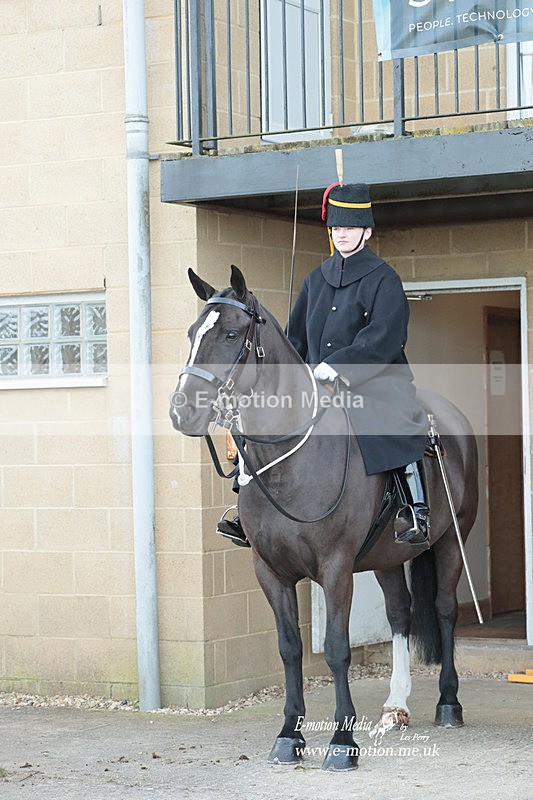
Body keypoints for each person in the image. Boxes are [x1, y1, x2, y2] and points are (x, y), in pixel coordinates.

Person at [218, 182, 430, 548]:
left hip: (373, 378)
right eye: (336, 228)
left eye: (349, 227)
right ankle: (245, 508)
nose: (341, 234)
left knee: (388, 419)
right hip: (315, 383)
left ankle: (414, 508)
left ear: (366, 230)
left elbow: (384, 336)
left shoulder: (385, 279)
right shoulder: (315, 280)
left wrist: (337, 366)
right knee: (264, 419)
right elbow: (294, 338)